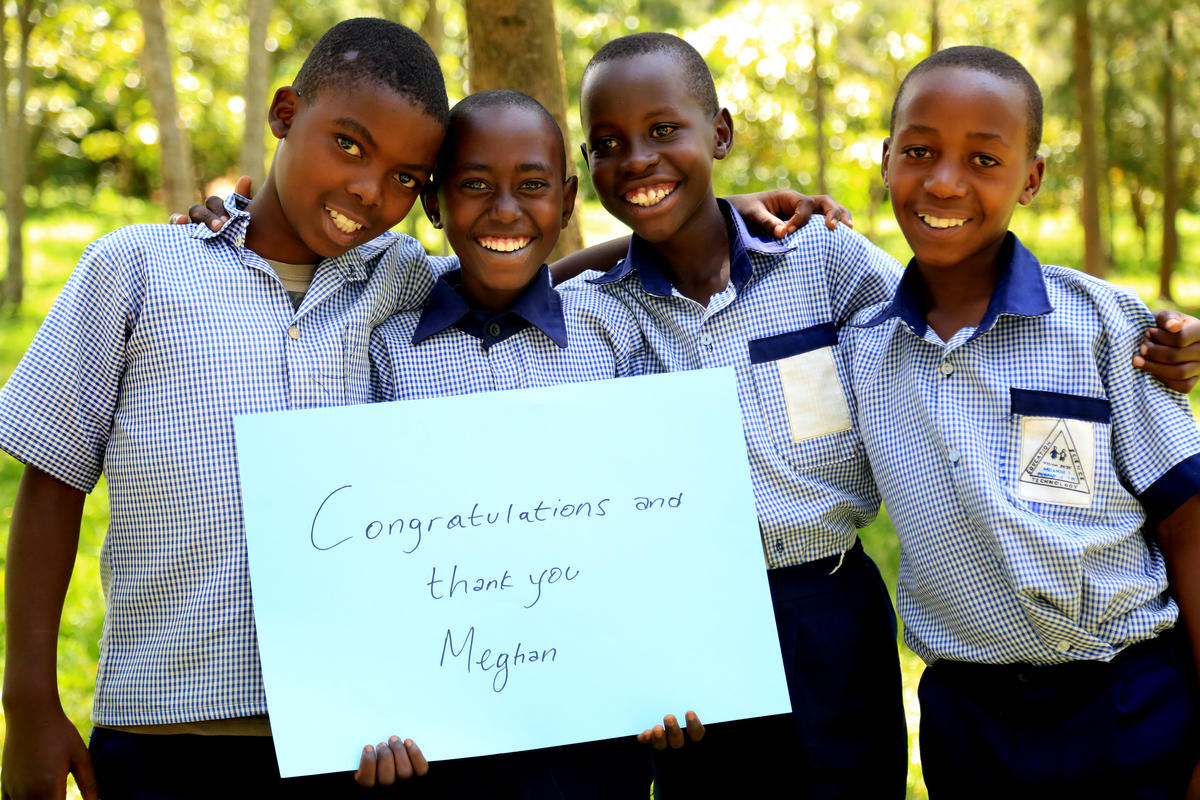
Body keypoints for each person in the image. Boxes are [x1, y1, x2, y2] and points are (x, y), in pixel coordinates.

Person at [573, 32, 1200, 799]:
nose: (638, 158)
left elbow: (1186, 519)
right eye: (609, 144)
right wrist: (712, 208)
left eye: (665, 131)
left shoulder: (832, 266)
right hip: (751, 638)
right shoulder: (609, 314)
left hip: (884, 622)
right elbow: (529, 285)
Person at [0, 18, 448, 799]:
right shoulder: (138, 267)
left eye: (407, 177)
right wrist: (29, 702)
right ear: (284, 114)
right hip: (161, 737)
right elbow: (53, 482)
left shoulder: (401, 280)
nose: (370, 191)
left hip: (349, 744)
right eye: (348, 144)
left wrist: (667, 236)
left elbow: (529, 277)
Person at [841, 45, 1200, 799]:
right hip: (967, 721)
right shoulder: (862, 350)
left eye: (983, 159)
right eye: (919, 151)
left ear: (1031, 179)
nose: (945, 182)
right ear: (886, 160)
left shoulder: (1103, 325)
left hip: (1127, 705)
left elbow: (1189, 527)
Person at [355, 88, 652, 799]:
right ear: (434, 203)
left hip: (596, 722)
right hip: (437, 734)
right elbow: (364, 547)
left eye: (533, 186)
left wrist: (670, 673)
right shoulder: (386, 349)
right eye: (475, 186)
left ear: (568, 200)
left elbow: (653, 515)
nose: (506, 210)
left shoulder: (613, 331)